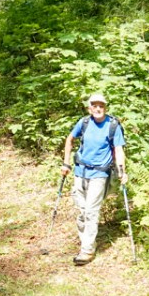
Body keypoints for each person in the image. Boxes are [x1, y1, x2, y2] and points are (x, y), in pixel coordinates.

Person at [61, 92, 126, 266]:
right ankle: (87, 243)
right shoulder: (84, 123)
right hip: (80, 172)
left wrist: (122, 171)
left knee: (91, 211)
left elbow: (118, 149)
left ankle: (87, 250)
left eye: (101, 106)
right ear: (89, 108)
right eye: (94, 105)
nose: (98, 108)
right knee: (82, 211)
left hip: (99, 174)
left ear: (105, 108)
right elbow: (70, 139)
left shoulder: (113, 126)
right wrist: (66, 163)